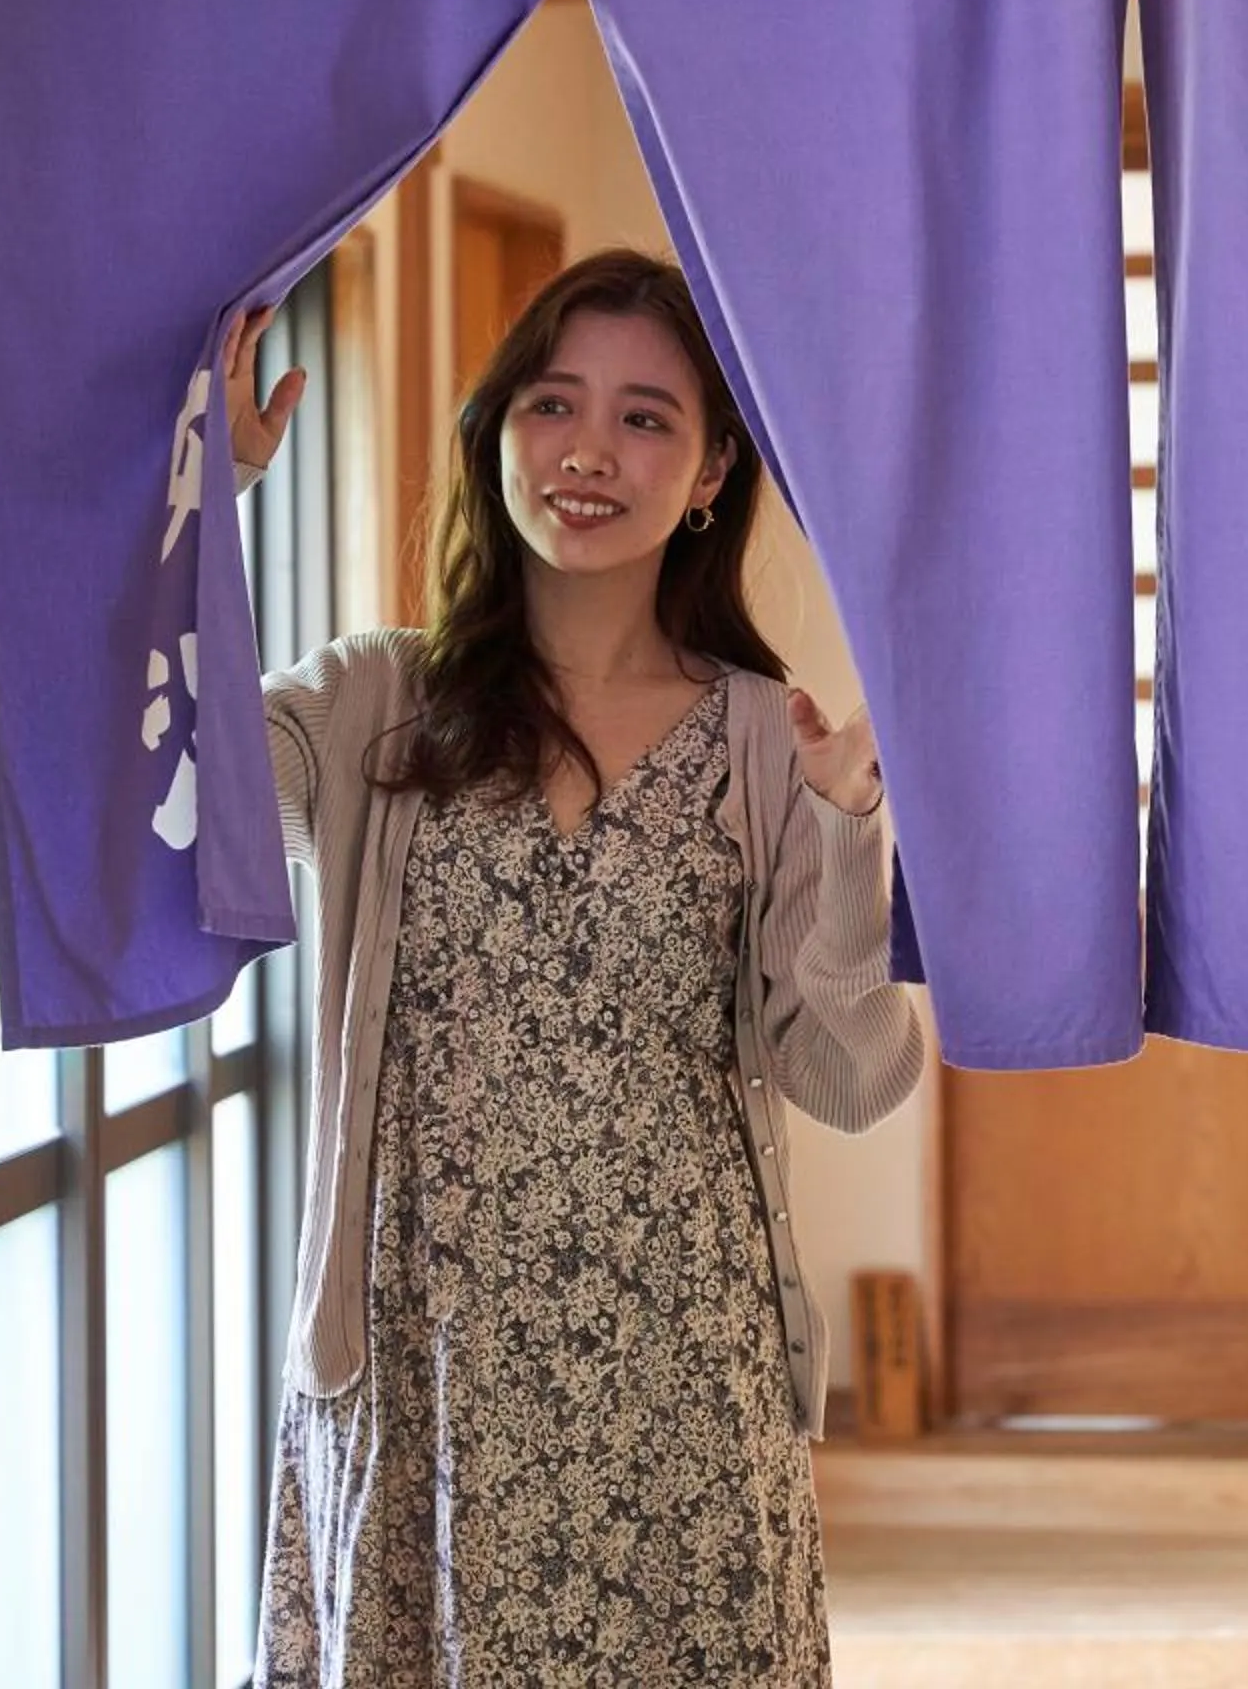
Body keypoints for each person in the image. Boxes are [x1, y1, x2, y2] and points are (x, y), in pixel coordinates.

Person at [237, 247, 926, 1685]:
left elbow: (849, 1081)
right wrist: (198, 518)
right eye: (551, 404)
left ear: (715, 471)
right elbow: (170, 792)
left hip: (682, 1377)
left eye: (645, 418)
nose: (588, 453)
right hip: (427, 1372)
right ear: (496, 434)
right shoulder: (376, 704)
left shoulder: (764, 738)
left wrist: (854, 832)